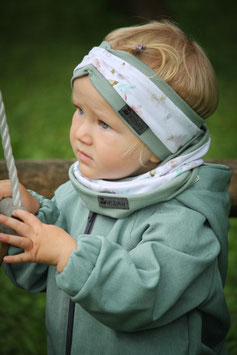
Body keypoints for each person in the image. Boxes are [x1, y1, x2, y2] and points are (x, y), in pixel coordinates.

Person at [0, 20, 232, 355]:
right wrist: (30, 218)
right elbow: (42, 274)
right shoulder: (77, 192)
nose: (81, 132)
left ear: (158, 145)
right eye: (79, 110)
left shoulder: (184, 222)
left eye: (104, 123)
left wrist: (68, 253)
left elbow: (140, 298)